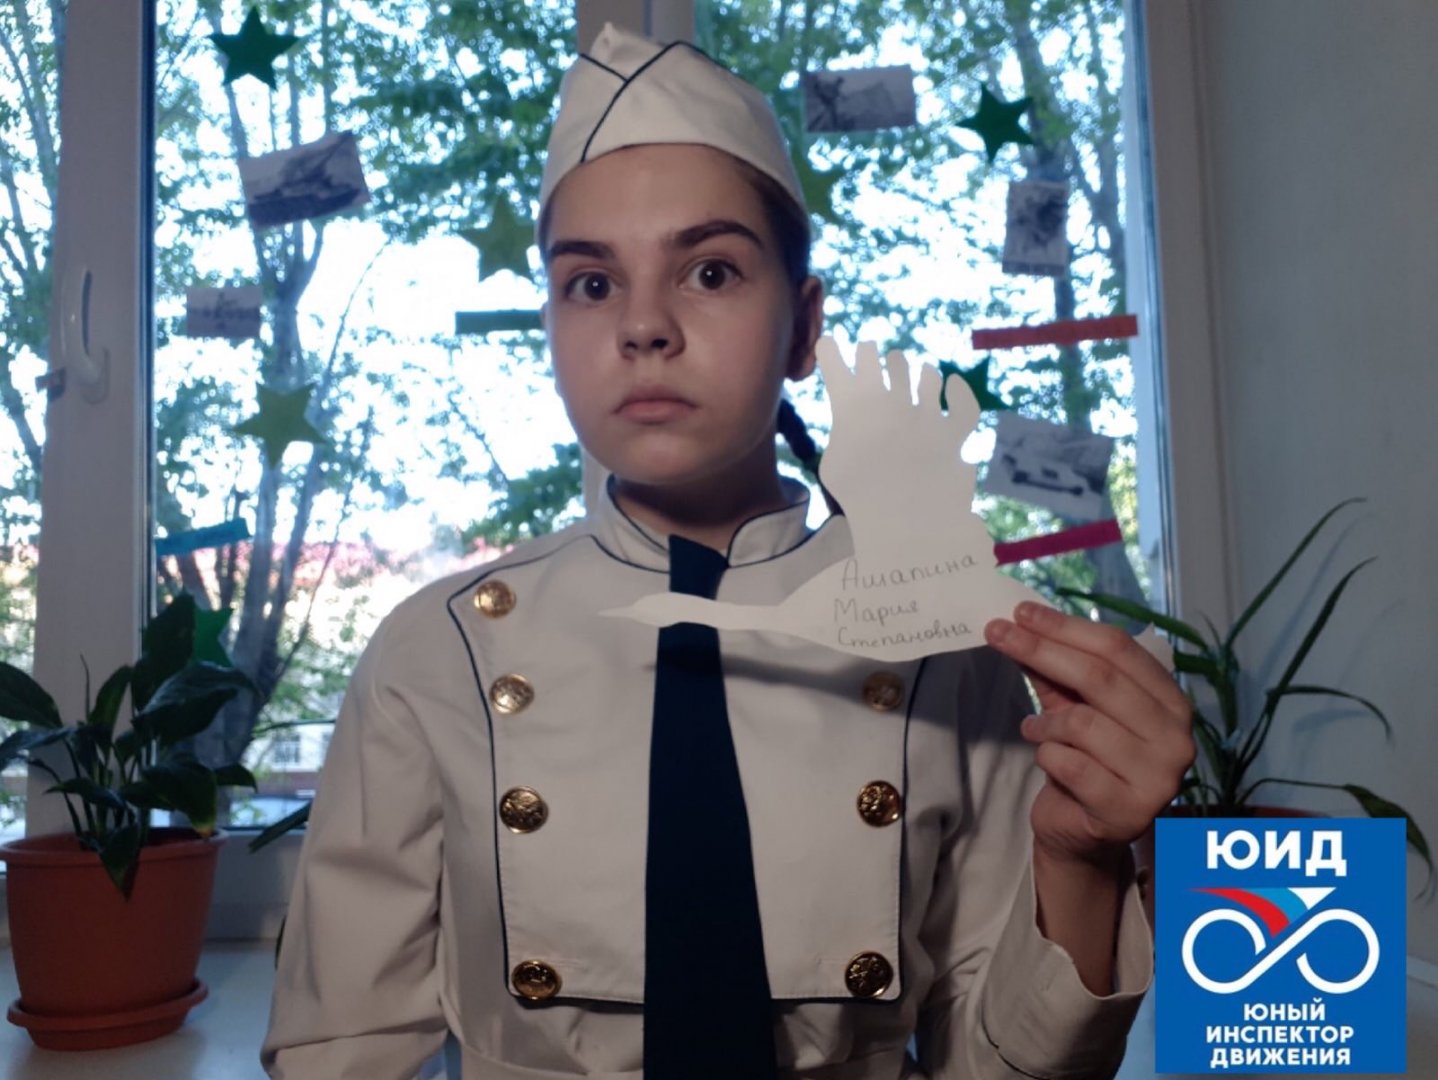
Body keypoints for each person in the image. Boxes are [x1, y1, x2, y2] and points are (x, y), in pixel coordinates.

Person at [261, 22, 1193, 1080]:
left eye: (709, 271)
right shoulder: (434, 656)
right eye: (591, 283)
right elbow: (342, 1051)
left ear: (802, 327)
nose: (644, 327)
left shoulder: (943, 646)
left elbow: (996, 1064)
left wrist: (1079, 857)